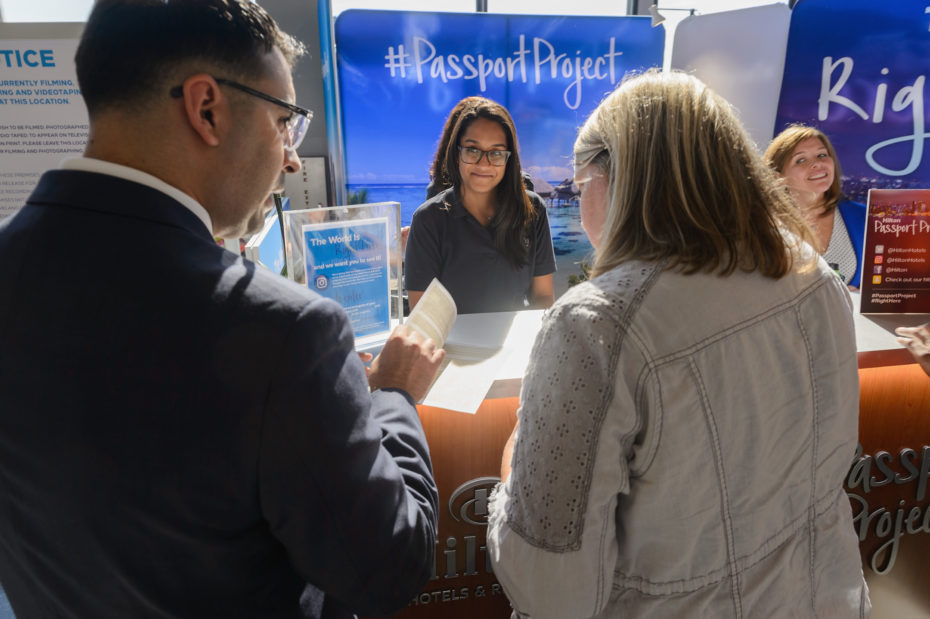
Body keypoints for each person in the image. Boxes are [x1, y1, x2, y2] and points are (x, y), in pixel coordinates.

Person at [0, 2, 444, 618]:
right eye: (285, 122)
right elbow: (391, 568)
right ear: (207, 109)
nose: (291, 158)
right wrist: (393, 397)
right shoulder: (284, 333)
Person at [487, 70, 869, 618]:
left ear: (616, 175)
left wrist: (511, 474)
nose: (576, 195)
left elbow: (552, 593)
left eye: (578, 181)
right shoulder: (812, 272)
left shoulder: (598, 324)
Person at [405, 96, 556, 313]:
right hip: (452, 346)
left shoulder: (533, 210)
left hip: (517, 343)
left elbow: (543, 297)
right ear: (456, 153)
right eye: (472, 150)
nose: (483, 163)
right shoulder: (428, 219)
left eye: (496, 153)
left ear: (509, 159)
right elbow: (423, 315)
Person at [764, 124, 867, 289]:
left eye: (821, 155)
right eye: (801, 160)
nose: (817, 164)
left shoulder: (865, 218)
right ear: (778, 177)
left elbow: (888, 289)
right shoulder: (760, 224)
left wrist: (859, 295)